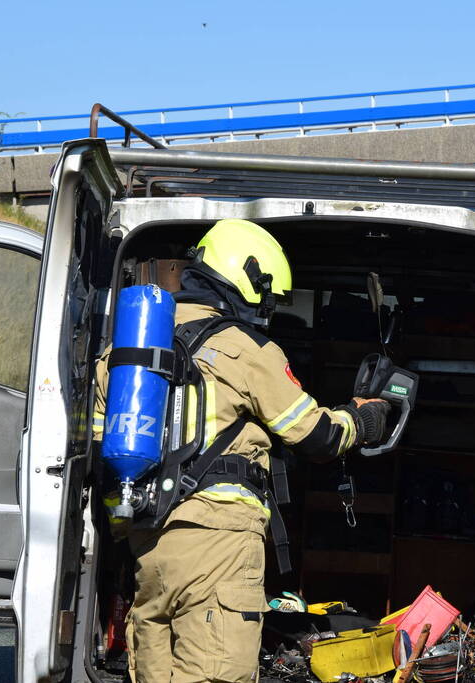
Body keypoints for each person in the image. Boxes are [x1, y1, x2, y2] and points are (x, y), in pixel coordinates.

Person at [94, 218, 391, 682]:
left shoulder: (128, 348)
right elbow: (316, 436)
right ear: (249, 281)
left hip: (148, 544)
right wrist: (363, 419)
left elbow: (97, 441)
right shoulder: (246, 350)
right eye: (267, 298)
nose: (267, 311)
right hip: (219, 544)